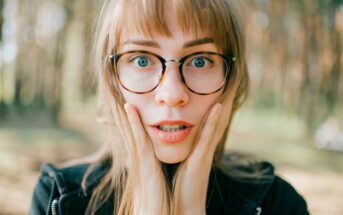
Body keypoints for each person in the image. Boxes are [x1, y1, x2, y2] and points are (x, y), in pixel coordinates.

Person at [29, 0, 309, 214]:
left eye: (200, 60)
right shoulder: (59, 200)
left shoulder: (278, 203)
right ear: (112, 77)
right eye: (141, 59)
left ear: (231, 78)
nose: (172, 94)